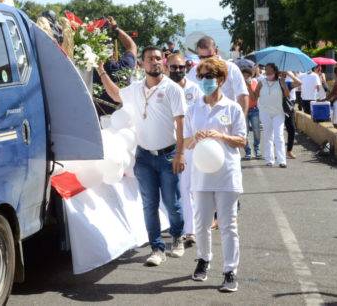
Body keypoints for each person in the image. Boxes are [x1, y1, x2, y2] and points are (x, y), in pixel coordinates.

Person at [99, 47, 186, 266]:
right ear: (142, 63)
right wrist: (101, 71)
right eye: (150, 59)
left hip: (168, 156)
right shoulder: (135, 89)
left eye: (158, 58)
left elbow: (180, 123)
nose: (155, 62)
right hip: (144, 157)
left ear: (163, 62)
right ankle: (157, 248)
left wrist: (180, 154)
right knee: (149, 204)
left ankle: (177, 236)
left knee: (172, 203)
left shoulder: (173, 89)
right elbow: (115, 94)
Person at [184, 57, 246, 292]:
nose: (205, 81)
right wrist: (196, 138)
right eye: (201, 77)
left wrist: (221, 136)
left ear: (221, 79)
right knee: (201, 223)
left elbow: (242, 140)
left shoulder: (233, 108)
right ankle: (203, 259)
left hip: (227, 175)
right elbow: (186, 142)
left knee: (229, 225)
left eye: (209, 77)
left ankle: (230, 271)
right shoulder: (193, 108)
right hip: (200, 175)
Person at [166, 53, 201, 247]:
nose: (178, 70)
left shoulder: (195, 89)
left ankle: (190, 231)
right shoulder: (161, 89)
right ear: (166, 67)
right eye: (173, 67)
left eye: (181, 67)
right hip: (166, 146)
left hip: (188, 147)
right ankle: (175, 227)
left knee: (187, 188)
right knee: (172, 190)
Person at [187, 36, 249, 115]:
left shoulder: (230, 68)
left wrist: (241, 121)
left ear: (216, 51)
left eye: (209, 56)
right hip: (202, 120)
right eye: (202, 57)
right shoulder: (193, 71)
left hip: (227, 117)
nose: (206, 60)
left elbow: (242, 95)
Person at [93, 17, 137, 115]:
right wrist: (115, 28)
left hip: (93, 121)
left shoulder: (87, 68)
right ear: (113, 52)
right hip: (121, 119)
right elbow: (132, 46)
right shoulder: (124, 66)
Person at [255, 63, 291, 168]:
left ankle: (282, 160)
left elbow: (287, 95)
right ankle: (269, 159)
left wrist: (284, 85)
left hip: (278, 113)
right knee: (268, 135)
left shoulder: (280, 81)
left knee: (279, 135)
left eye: (269, 70)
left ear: (275, 71)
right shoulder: (261, 82)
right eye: (266, 70)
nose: (267, 71)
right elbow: (255, 95)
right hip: (265, 112)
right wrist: (248, 84)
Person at [242, 67, 261, 160]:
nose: (245, 77)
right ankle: (248, 151)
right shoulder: (239, 84)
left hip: (254, 109)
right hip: (242, 111)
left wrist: (249, 86)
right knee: (244, 132)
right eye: (244, 75)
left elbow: (254, 98)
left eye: (247, 75)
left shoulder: (254, 83)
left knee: (256, 131)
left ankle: (257, 149)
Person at [282, 71, 302, 160]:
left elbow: (299, 83)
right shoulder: (274, 83)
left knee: (292, 129)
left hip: (288, 108)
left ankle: (289, 151)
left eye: (284, 73)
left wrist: (290, 75)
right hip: (276, 109)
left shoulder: (287, 83)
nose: (283, 74)